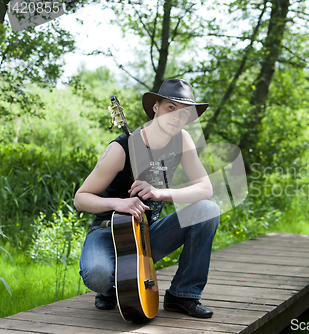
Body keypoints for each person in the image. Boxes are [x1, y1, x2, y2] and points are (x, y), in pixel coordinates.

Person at [74, 79, 220, 318]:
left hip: (145, 235)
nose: (176, 116)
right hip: (109, 232)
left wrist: (160, 193)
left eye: (183, 112)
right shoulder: (120, 149)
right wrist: (116, 203)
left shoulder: (182, 141)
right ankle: (111, 287)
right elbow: (80, 198)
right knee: (99, 275)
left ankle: (183, 295)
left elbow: (206, 189)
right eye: (170, 108)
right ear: (156, 107)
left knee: (208, 209)